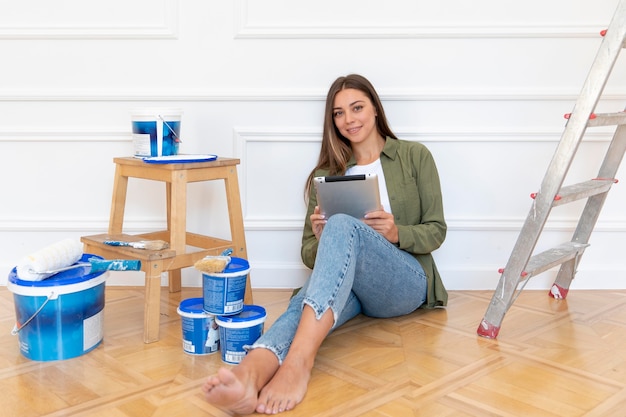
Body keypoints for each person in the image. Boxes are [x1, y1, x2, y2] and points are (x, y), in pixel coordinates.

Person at [201, 74, 448, 415]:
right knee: (306, 301)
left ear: (375, 109)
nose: (349, 119)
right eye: (339, 113)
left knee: (342, 225)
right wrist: (322, 238)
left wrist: (396, 233)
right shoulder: (328, 174)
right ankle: (249, 373)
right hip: (356, 293)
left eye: (357, 107)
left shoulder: (415, 156)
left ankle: (298, 364)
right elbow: (309, 255)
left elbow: (436, 230)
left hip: (405, 284)